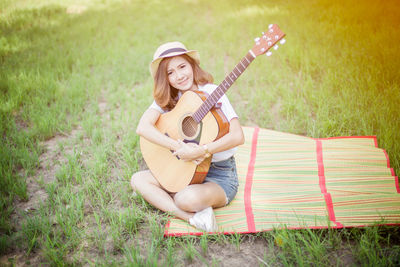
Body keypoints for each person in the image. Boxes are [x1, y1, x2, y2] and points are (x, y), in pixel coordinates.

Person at [131, 41, 244, 232]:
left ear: (192, 65)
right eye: (170, 72)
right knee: (137, 180)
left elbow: (237, 136)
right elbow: (143, 127)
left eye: (182, 66)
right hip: (182, 167)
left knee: (185, 198)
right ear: (164, 78)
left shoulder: (211, 92)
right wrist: (178, 147)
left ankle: (170, 199)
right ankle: (192, 219)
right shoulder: (168, 98)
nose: (179, 76)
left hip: (219, 175)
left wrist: (202, 150)